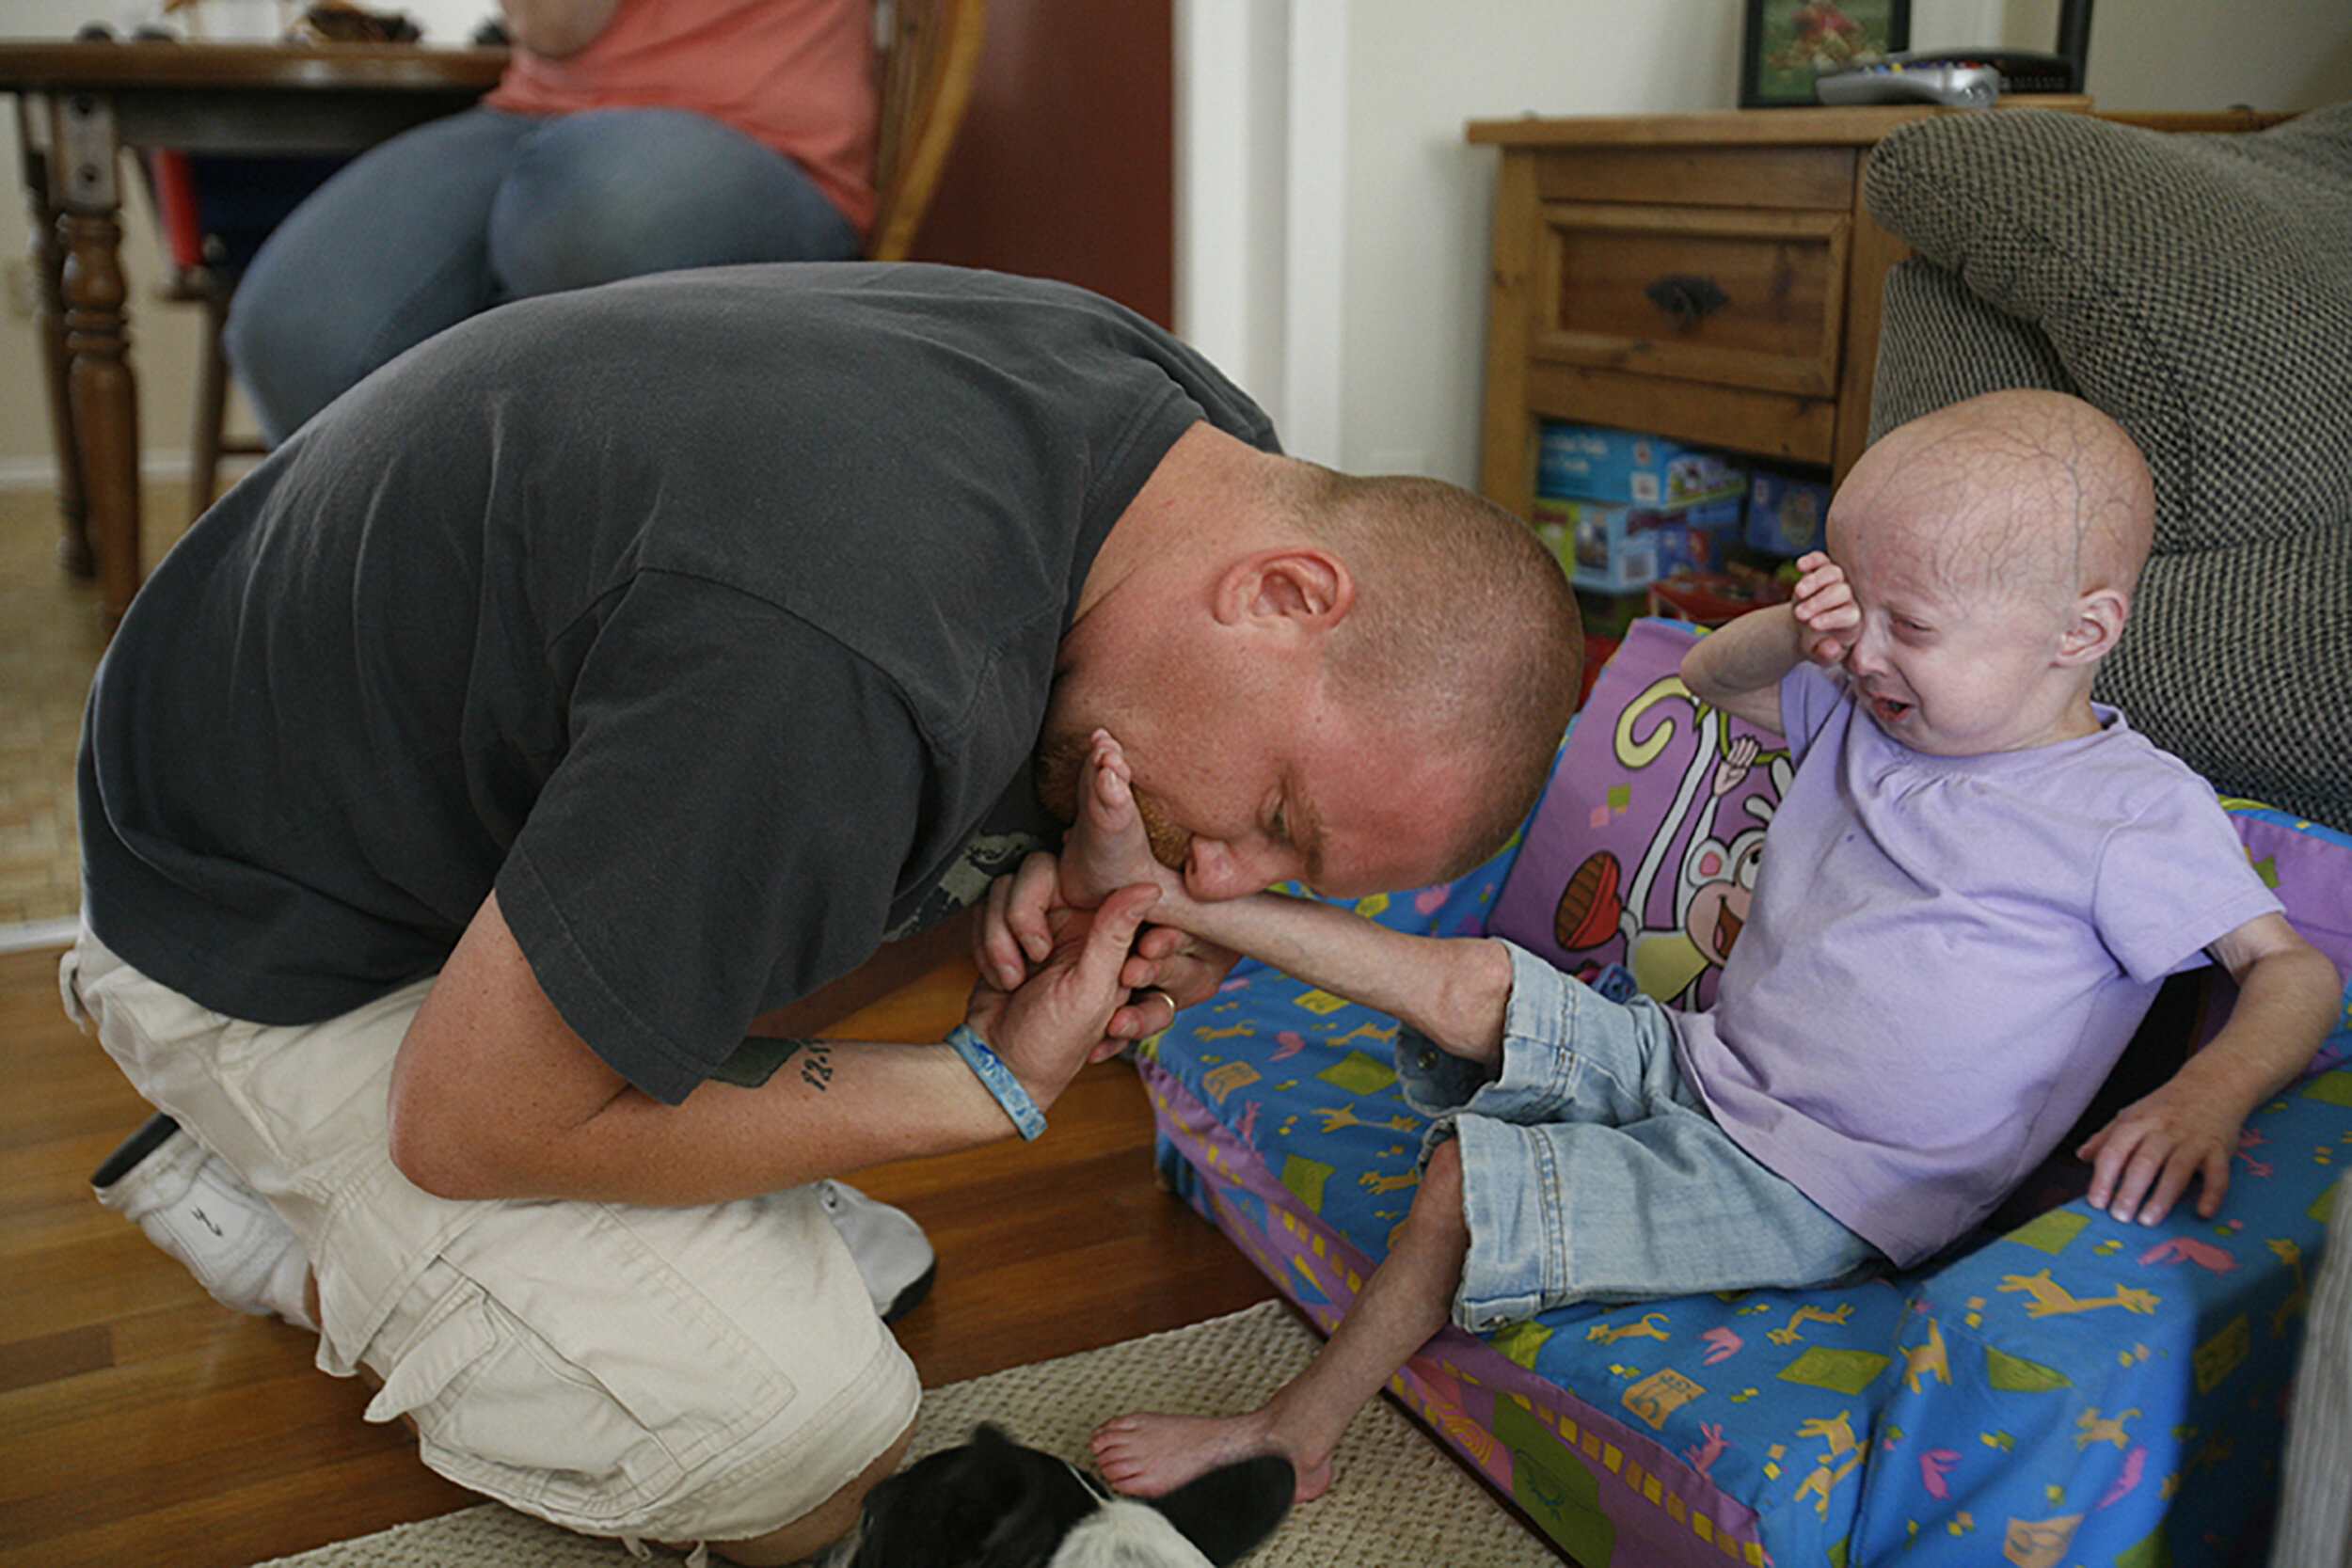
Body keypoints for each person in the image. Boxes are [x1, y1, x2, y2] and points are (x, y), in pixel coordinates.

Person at [68, 262, 1583, 1564]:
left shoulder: (1191, 455)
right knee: (796, 1423)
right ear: (1286, 593)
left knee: (852, 1235)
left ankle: (563, 1154)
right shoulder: (836, 650)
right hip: (262, 928)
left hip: (430, 775)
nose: (1229, 879)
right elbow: (467, 1120)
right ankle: (288, 1229)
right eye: (1279, 819)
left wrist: (1064, 868)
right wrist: (984, 1084)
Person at [980, 388, 2343, 1504]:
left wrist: (2209, 1089)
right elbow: (1705, 679)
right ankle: (1176, 899)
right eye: (1853, 605)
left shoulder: (2128, 814)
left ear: (2082, 630)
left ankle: (1294, 1428)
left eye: (1910, 625)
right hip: (1703, 1058)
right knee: (1477, 982)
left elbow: (2292, 970)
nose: (1868, 650)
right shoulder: (1862, 700)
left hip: (1831, 1178)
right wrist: (1797, 630)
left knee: (1464, 1181)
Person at [224, 0, 879, 444]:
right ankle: (433, 596)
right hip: (536, 111)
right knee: (294, 329)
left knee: (590, 229)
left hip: (759, 132)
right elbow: (556, 24)